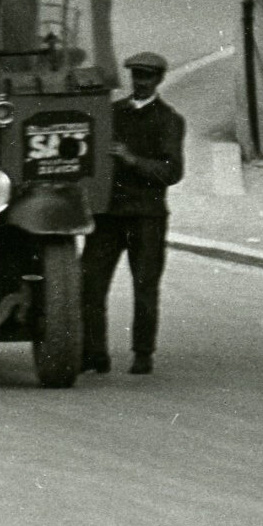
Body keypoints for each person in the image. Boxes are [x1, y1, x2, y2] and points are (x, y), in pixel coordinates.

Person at [81, 47, 185, 377]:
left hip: (146, 216)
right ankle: (94, 354)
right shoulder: (112, 113)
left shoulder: (169, 120)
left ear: (159, 80)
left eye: (147, 77)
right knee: (90, 285)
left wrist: (132, 160)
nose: (140, 82)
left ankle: (143, 354)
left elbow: (172, 171)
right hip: (109, 216)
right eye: (137, 75)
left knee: (145, 289)